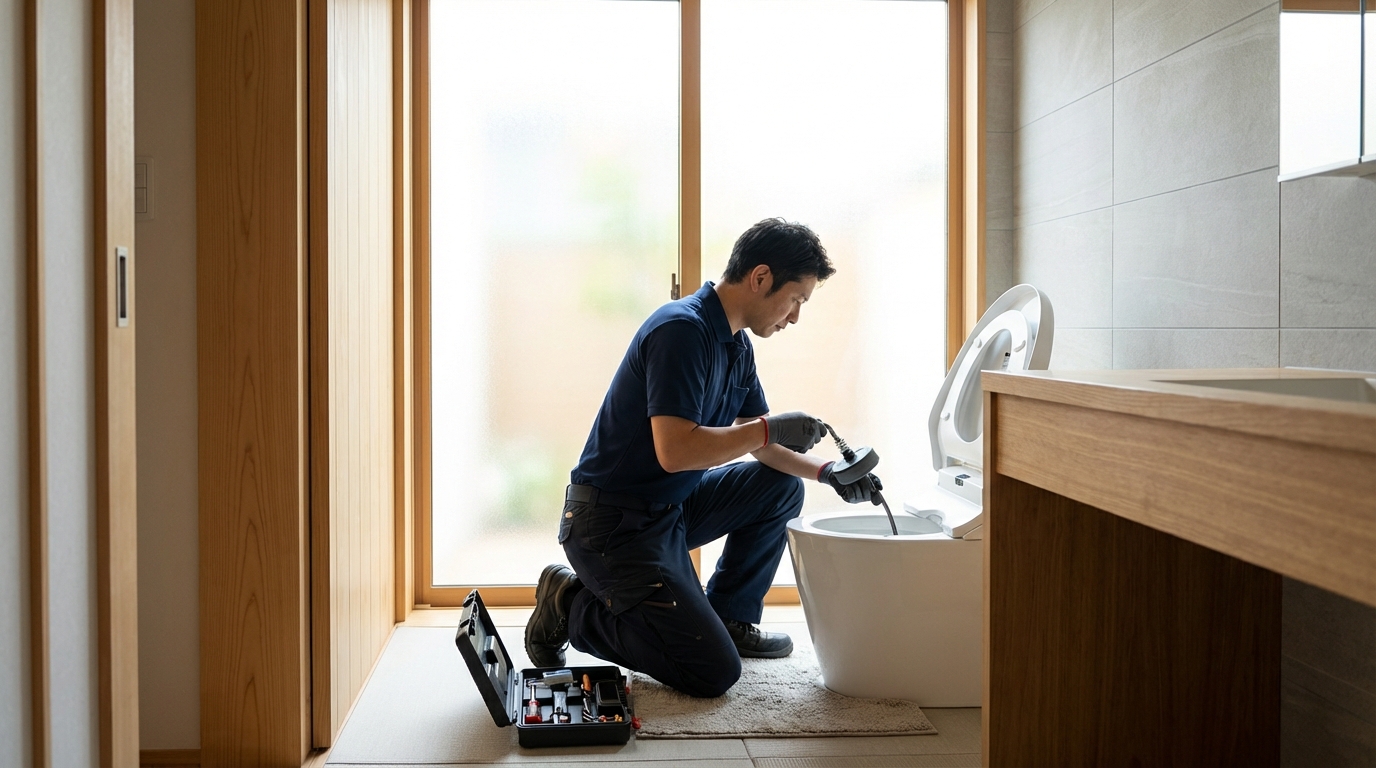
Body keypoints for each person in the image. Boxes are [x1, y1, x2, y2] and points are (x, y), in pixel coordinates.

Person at [524, 218, 882, 698]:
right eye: (796, 299)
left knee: (780, 487)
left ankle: (730, 616)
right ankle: (570, 604)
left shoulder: (736, 345)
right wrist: (769, 428)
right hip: (612, 525)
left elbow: (758, 443)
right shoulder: (681, 331)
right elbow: (676, 452)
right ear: (760, 277)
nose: (795, 316)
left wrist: (827, 472)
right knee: (711, 672)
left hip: (669, 509)